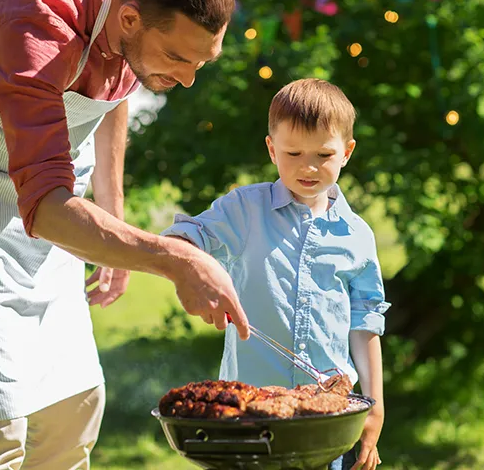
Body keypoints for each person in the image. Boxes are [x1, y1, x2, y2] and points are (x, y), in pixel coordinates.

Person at [0, 0, 250, 468]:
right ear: (130, 18)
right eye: (177, 57)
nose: (187, 79)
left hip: (51, 197)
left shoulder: (126, 27)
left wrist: (113, 223)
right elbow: (48, 209)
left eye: (202, 61)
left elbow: (118, 87)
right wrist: (178, 259)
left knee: (75, 409)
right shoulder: (34, 22)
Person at [161, 78, 389, 470]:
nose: (309, 166)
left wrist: (375, 408)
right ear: (272, 149)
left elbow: (365, 323)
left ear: (347, 152)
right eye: (293, 152)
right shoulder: (245, 210)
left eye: (323, 153)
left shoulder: (357, 236)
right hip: (249, 416)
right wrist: (187, 262)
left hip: (327, 420)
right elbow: (190, 236)